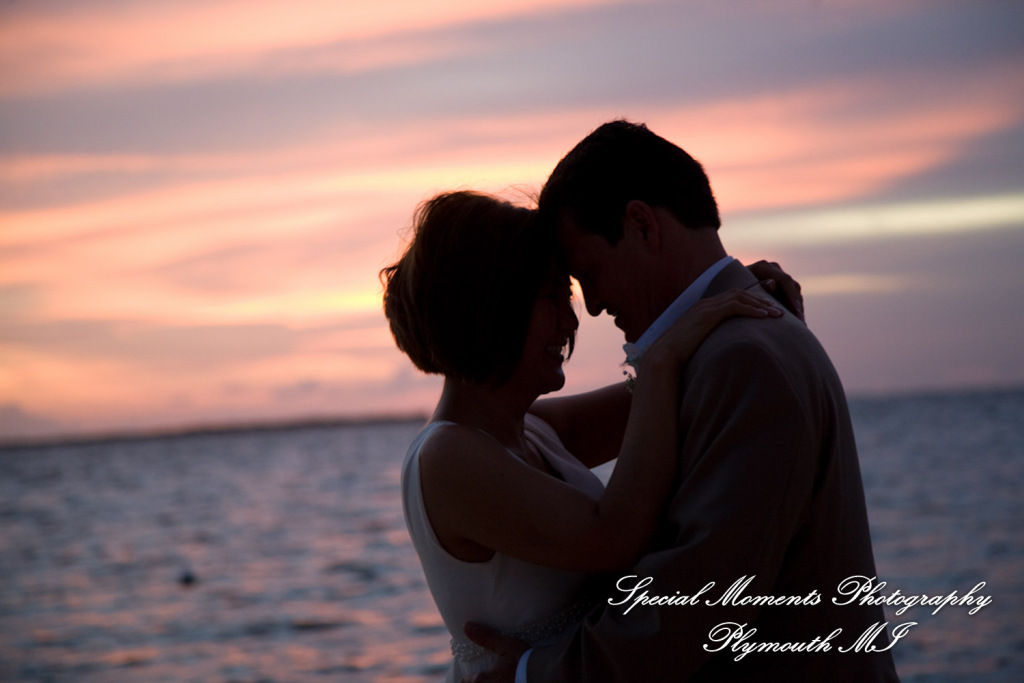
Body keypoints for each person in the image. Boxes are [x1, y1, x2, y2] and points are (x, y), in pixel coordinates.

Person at [464, 121, 900, 682]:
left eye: (589, 273)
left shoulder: (742, 357)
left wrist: (530, 674)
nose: (592, 306)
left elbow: (696, 603)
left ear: (642, 224)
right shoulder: (736, 342)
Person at [381, 190, 797, 682]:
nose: (573, 321)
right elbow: (615, 535)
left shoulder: (534, 432)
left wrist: (746, 306)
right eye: (553, 297)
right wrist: (659, 357)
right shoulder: (447, 456)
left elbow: (681, 398)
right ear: (491, 303)